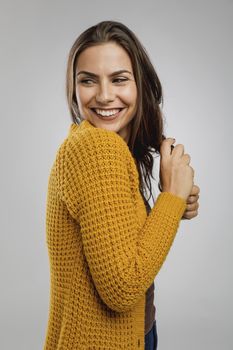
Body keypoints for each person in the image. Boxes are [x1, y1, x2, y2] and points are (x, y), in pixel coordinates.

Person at [43, 20, 200, 350]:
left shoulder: (89, 144)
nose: (103, 95)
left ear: (139, 85)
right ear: (73, 89)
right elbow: (123, 286)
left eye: (118, 79)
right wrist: (171, 198)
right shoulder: (98, 148)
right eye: (88, 80)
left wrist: (171, 207)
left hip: (134, 333)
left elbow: (119, 246)